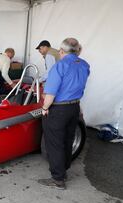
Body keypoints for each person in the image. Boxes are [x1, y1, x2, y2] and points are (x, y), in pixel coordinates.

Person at [38, 38, 90, 190]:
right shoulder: (84, 64)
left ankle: (58, 179)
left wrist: (45, 107)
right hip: (74, 107)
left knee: (54, 143)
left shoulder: (60, 66)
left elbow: (51, 92)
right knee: (67, 140)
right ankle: (63, 171)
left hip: (58, 109)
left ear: (61, 51)